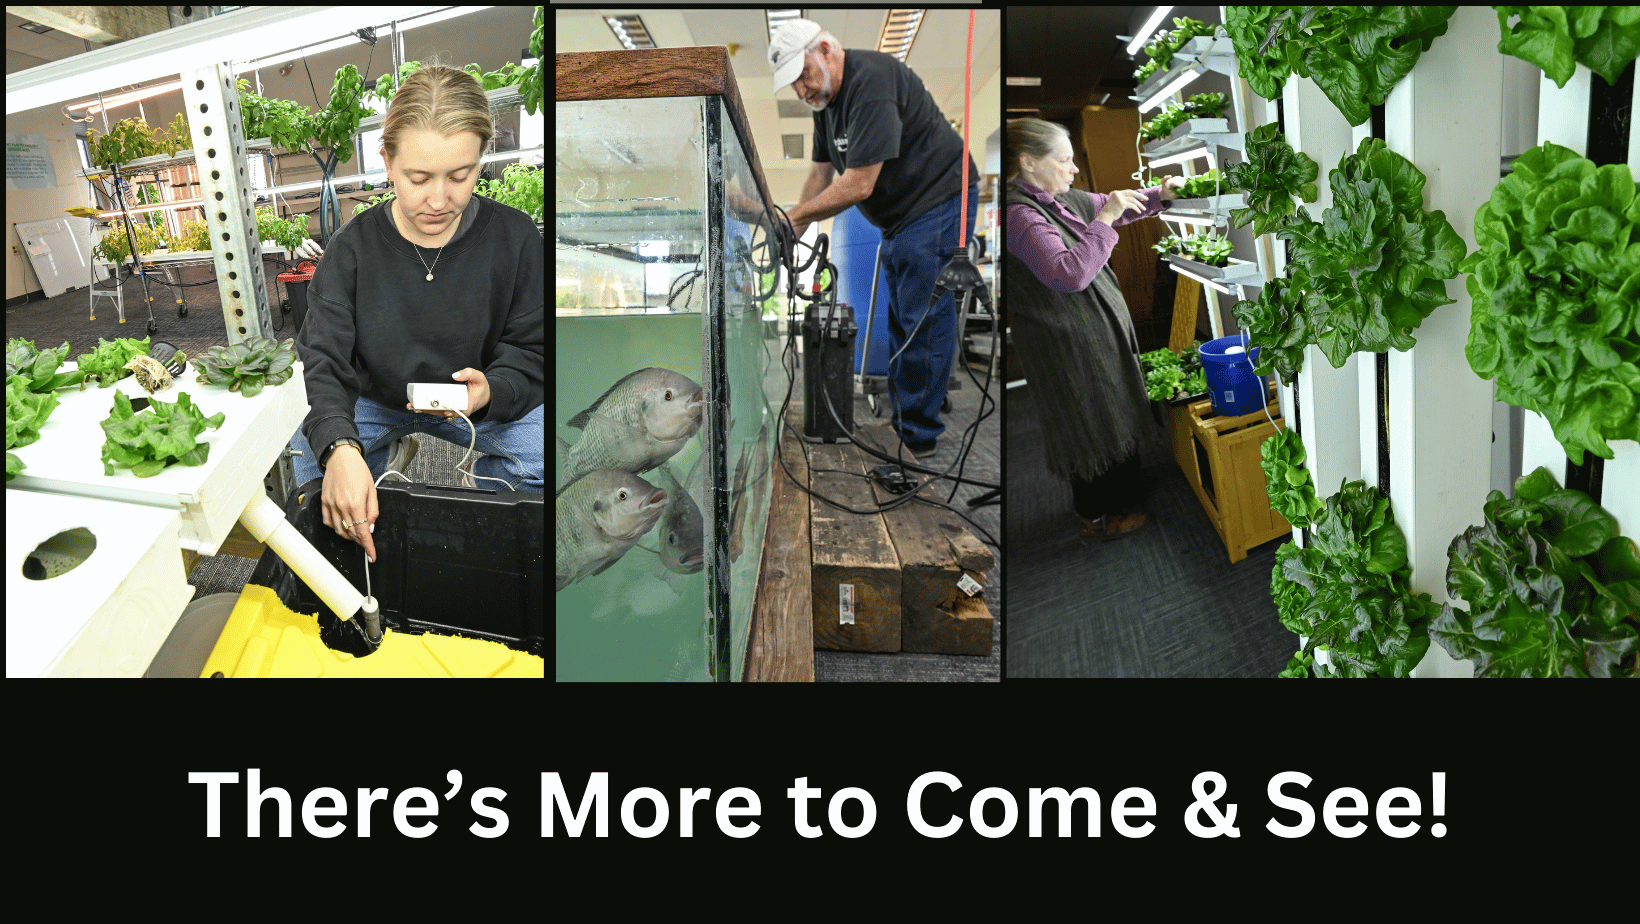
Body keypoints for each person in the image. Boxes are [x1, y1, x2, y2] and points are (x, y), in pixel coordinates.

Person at [290, 64, 545, 563]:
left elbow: (532, 347)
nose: (438, 199)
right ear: (387, 162)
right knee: (313, 459)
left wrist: (495, 389)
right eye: (418, 177)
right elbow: (321, 358)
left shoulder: (515, 239)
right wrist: (340, 447)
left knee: (549, 464)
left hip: (475, 403)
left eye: (460, 175)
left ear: (480, 160)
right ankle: (372, 485)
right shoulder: (351, 249)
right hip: (375, 401)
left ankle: (490, 545)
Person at [769, 18, 980, 458]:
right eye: (793, 86)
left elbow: (859, 184)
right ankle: (909, 418)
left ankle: (916, 439)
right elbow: (820, 174)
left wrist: (797, 216)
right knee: (903, 316)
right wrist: (795, 229)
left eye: (802, 76)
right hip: (900, 219)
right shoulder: (826, 107)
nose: (802, 91)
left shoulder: (873, 82)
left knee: (922, 317)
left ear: (825, 49)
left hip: (939, 197)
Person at [1004, 117, 1185, 541]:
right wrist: (1105, 218)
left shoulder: (1056, 201)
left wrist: (1160, 195)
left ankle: (1118, 501)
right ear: (1029, 162)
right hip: (1064, 344)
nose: (1073, 169)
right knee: (1087, 421)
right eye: (1064, 160)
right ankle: (1099, 515)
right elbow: (1069, 274)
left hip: (1089, 338)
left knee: (1111, 410)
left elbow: (1113, 203)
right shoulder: (1018, 215)